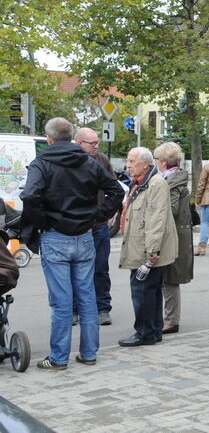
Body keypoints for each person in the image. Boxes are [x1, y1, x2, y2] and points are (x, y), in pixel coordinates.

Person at [20, 118, 124, 370]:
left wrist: (43, 220)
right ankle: (89, 353)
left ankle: (58, 358)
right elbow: (117, 191)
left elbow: (30, 195)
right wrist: (97, 216)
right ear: (71, 138)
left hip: (55, 236)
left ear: (49, 138)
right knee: (87, 296)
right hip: (84, 235)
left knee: (62, 301)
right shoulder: (88, 162)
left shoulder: (42, 164)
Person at [118, 147, 178, 347]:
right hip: (141, 247)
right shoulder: (141, 183)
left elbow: (155, 220)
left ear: (146, 164)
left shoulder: (155, 183)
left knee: (142, 291)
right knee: (149, 290)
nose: (128, 165)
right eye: (128, 161)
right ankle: (152, 331)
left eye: (132, 161)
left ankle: (144, 333)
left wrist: (151, 254)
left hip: (147, 251)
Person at [74, 127, 115, 327]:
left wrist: (106, 213)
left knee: (100, 268)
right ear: (79, 143)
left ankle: (102, 308)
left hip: (98, 226)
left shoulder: (101, 161)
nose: (96, 146)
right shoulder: (68, 161)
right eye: (93, 143)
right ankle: (75, 309)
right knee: (75, 270)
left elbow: (114, 189)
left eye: (97, 142)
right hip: (75, 228)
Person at [153, 142, 193, 336]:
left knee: (170, 279)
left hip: (173, 235)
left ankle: (171, 321)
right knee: (166, 279)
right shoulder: (170, 178)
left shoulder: (172, 182)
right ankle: (168, 319)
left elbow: (172, 209)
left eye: (156, 159)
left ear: (162, 162)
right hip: (172, 234)